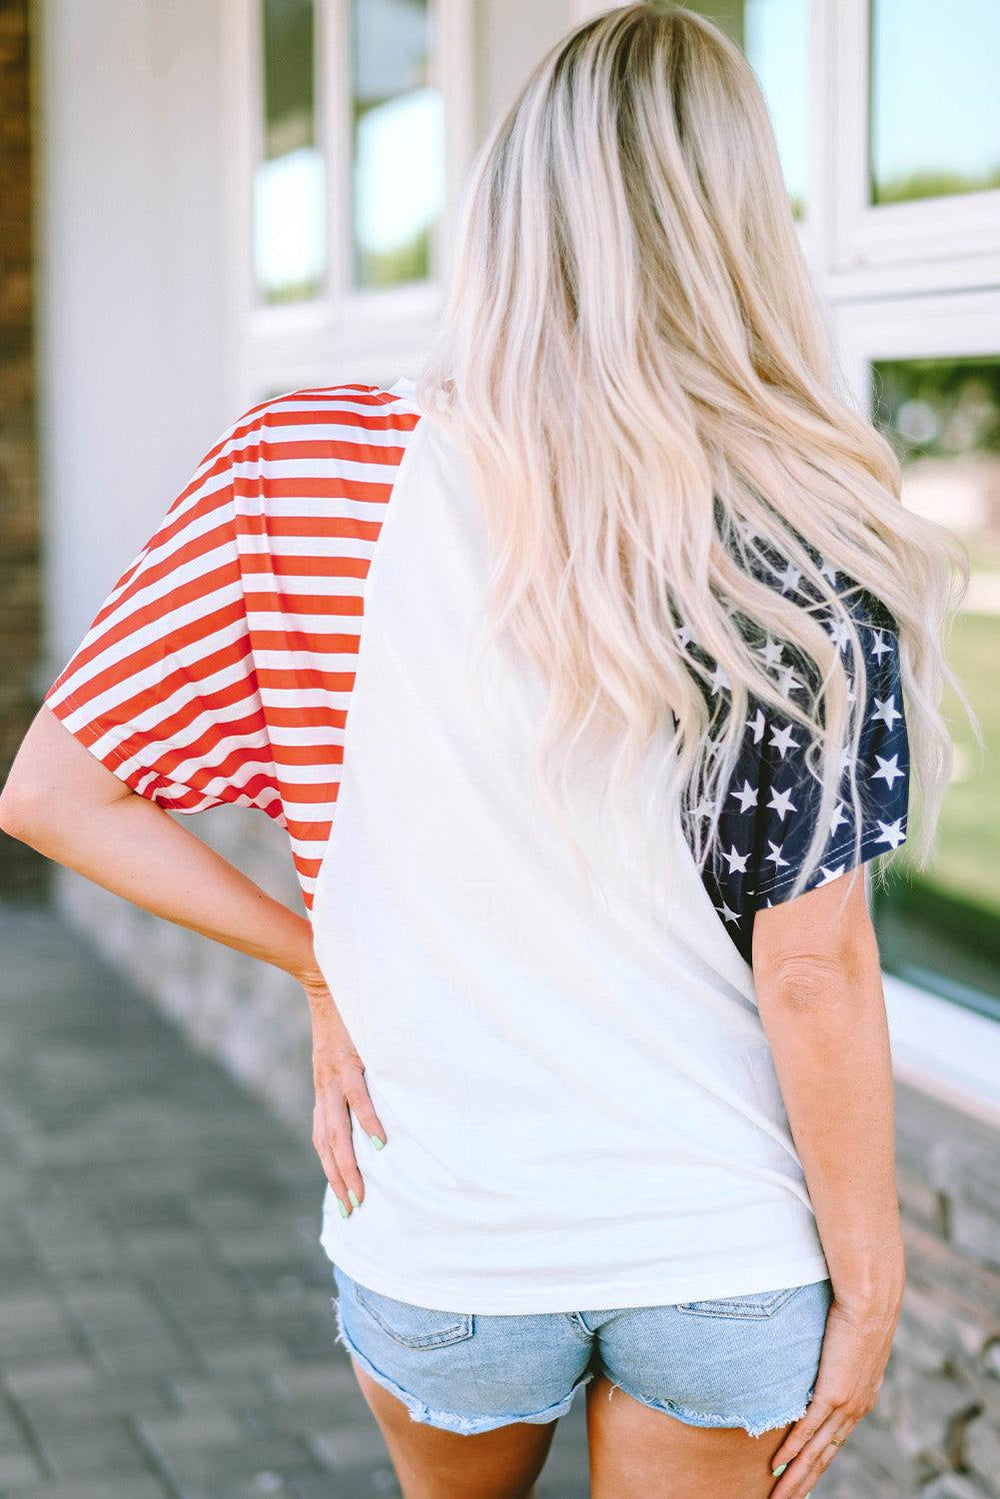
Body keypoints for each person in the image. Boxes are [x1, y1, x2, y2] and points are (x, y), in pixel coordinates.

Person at [0, 5, 971, 1498]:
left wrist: (322, 953)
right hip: (715, 1243)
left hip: (450, 1239)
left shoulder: (305, 466)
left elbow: (55, 793)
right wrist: (873, 1263)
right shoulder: (804, 528)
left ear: (513, 210)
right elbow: (815, 966)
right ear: (739, 229)